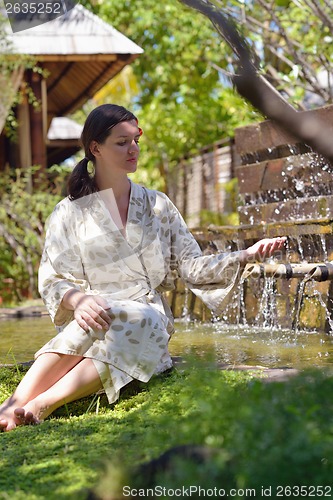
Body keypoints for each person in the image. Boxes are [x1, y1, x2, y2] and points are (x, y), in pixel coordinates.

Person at [0, 104, 286, 432]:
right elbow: (52, 277)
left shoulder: (158, 205)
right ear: (96, 148)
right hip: (93, 318)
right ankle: (10, 406)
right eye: (122, 142)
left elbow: (191, 266)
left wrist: (242, 256)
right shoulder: (69, 212)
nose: (133, 149)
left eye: (136, 140)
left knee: (142, 316)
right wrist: (78, 301)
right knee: (98, 313)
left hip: (145, 322)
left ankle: (43, 403)